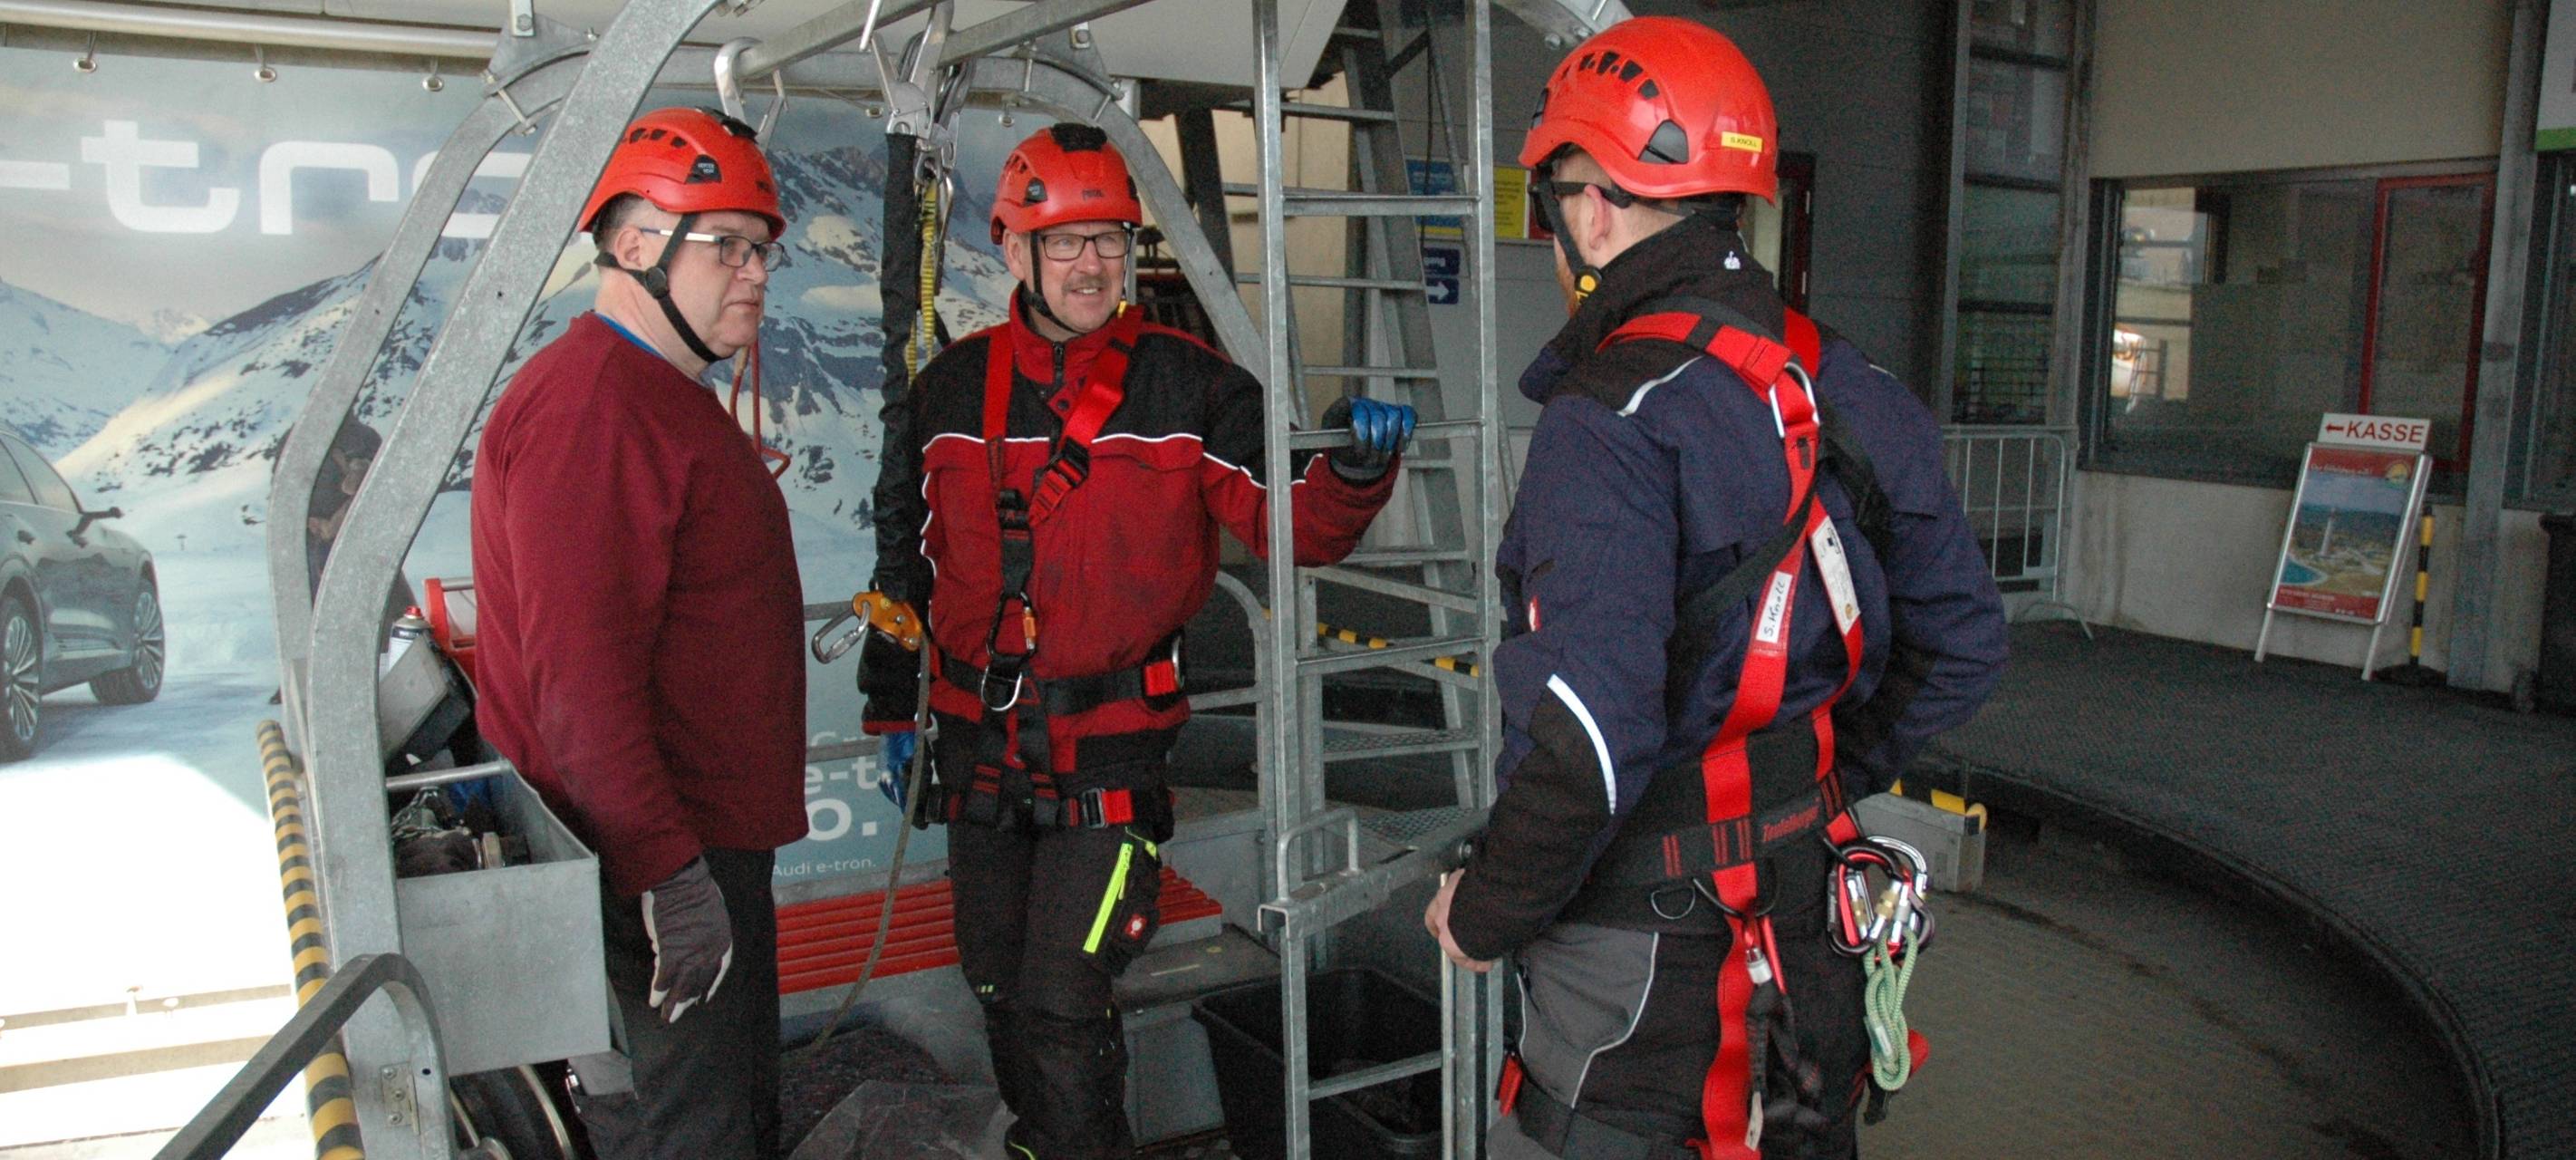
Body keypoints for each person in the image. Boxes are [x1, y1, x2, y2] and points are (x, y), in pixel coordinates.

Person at [1420, 18, 2009, 1160]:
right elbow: (1964, 643)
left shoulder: (1606, 419)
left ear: (1591, 206)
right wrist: (1813, 782)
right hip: (1811, 937)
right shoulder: (1848, 384)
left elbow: (1587, 740)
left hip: (1642, 986)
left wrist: (1484, 912)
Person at [857, 122, 1416, 1159]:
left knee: (1063, 995)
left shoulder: (1187, 386)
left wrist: (1347, 468)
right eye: (1064, 241)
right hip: (976, 745)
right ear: (1012, 250)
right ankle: (1042, 1140)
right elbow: (909, 559)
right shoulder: (947, 392)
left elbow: (1286, 519)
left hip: (1110, 751)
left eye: (1110, 239)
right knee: (994, 979)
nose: (1092, 264)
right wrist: (893, 702)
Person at [469, 106, 804, 1158]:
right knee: (699, 1132)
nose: (754, 272)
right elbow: (579, 685)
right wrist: (669, 875)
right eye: (727, 246)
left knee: (734, 1114)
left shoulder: (657, 395)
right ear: (633, 245)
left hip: (697, 845)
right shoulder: (593, 411)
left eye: (761, 250)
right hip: (666, 855)